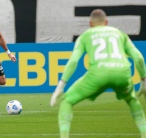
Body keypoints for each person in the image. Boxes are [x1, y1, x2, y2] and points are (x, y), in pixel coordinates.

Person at [50, 9, 146, 138]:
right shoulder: (119, 33)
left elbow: (73, 61)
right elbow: (139, 58)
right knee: (133, 101)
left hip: (98, 74)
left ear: (90, 23)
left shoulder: (85, 35)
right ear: (106, 22)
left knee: (67, 101)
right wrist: (143, 82)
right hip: (122, 74)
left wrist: (61, 86)